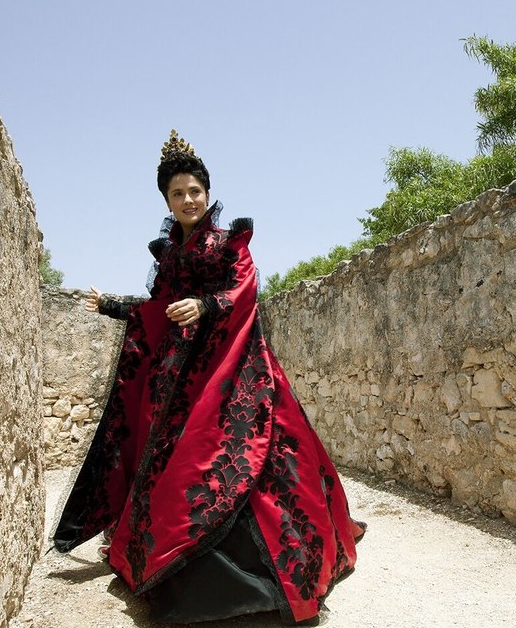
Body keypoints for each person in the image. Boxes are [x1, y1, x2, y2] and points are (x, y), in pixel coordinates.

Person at [51, 131, 364, 625]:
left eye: (194, 190)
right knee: (179, 464)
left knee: (240, 452)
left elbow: (244, 289)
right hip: (179, 377)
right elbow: (158, 308)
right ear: (167, 201)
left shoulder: (227, 243)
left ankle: (266, 578)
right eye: (177, 193)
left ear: (207, 192)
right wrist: (112, 304)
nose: (188, 200)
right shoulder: (168, 254)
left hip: (233, 367)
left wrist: (204, 306)